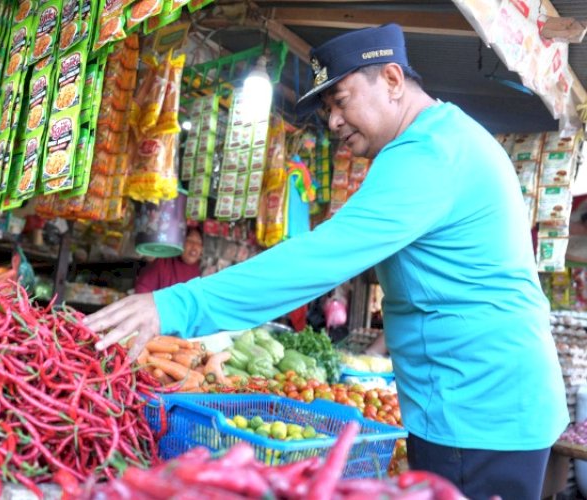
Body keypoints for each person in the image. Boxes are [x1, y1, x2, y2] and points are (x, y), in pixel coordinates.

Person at [85, 23, 567, 499]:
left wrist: (173, 307)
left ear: (393, 81)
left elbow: (317, 261)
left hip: (479, 414)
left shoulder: (429, 156)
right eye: (326, 108)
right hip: (488, 401)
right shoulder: (448, 138)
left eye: (341, 100)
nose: (333, 121)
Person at [134, 227, 203, 293]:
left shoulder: (199, 273)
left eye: (199, 242)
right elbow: (142, 288)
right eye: (189, 240)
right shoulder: (163, 264)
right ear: (180, 243)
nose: (195, 246)